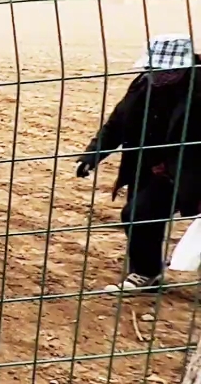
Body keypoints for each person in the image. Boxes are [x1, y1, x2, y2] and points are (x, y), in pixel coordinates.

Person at [75, 33, 200, 293]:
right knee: (140, 217)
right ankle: (147, 272)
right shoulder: (144, 85)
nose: (155, 74)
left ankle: (146, 273)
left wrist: (171, 163)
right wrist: (92, 156)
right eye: (152, 68)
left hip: (189, 170)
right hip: (146, 164)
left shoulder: (198, 90)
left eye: (163, 69)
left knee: (141, 214)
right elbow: (117, 123)